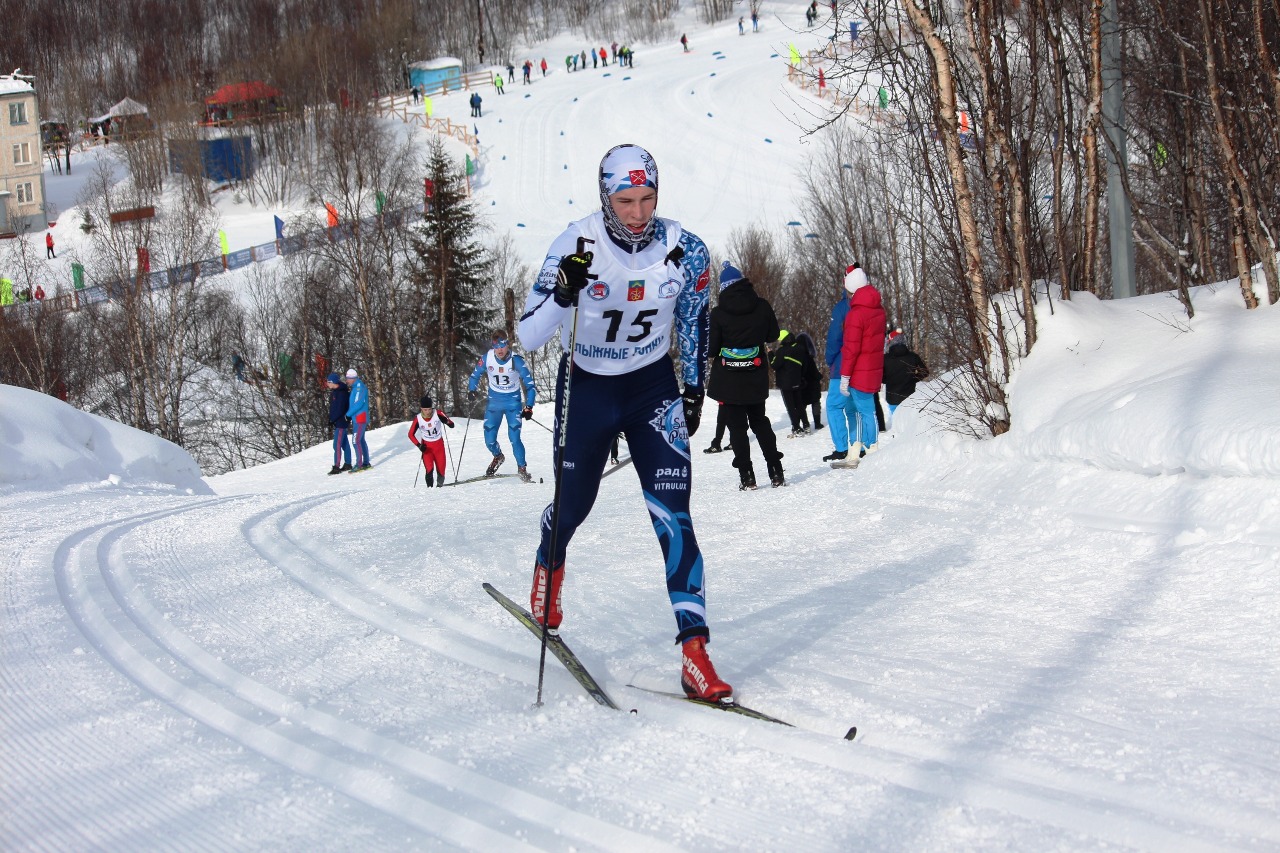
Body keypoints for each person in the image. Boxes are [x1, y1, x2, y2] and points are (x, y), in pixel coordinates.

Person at [517, 142, 731, 702]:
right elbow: (528, 334)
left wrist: (693, 387)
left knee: (674, 514)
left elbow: (693, 317)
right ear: (605, 196)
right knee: (575, 504)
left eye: (647, 198)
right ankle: (550, 558)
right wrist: (564, 291)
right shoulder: (577, 242)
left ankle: (695, 652)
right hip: (587, 386)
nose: (637, 212)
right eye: (626, 199)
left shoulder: (685, 248)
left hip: (650, 387)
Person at [707, 261, 784, 489]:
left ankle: (747, 476)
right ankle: (776, 471)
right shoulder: (762, 306)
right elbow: (773, 335)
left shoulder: (718, 313)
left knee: (737, 428)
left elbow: (712, 350)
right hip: (755, 373)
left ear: (723, 288)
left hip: (729, 379)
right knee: (760, 422)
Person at [825, 265, 885, 465]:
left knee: (860, 410)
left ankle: (869, 449)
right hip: (870, 368)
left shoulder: (854, 312)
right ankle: (855, 449)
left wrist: (843, 374)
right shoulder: (878, 310)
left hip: (856, 369)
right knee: (857, 410)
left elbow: (850, 347)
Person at [467, 330, 536, 481]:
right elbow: (474, 376)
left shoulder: (516, 360)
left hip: (513, 402)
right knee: (489, 439)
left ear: (507, 345)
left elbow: (530, 385)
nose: (500, 350)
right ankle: (498, 456)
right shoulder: (487, 358)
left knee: (514, 437)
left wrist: (529, 406)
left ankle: (522, 468)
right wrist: (471, 390)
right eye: (496, 346)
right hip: (494, 402)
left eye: (502, 346)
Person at [882, 328, 929, 427]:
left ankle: (896, 437)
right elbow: (924, 372)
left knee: (896, 421)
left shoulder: (885, 358)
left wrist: (887, 380)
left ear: (890, 342)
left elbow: (880, 376)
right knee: (909, 422)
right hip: (909, 395)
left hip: (892, 396)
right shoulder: (913, 356)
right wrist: (914, 379)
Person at [771, 329, 812, 436]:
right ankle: (806, 425)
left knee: (790, 406)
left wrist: (770, 353)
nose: (779, 342)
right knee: (799, 404)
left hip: (785, 383)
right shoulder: (800, 348)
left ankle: (796, 427)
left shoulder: (782, 351)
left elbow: (774, 365)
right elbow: (805, 365)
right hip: (797, 381)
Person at [408, 394, 455, 487]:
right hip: (427, 447)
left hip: (439, 446)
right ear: (421, 409)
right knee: (429, 469)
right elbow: (410, 435)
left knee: (441, 470)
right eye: (425, 410)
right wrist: (419, 445)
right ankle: (430, 490)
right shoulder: (418, 419)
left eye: (429, 409)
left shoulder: (438, 413)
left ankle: (439, 487)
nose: (428, 412)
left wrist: (446, 421)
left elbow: (452, 424)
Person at [344, 368, 372, 471]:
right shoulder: (355, 387)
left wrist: (348, 414)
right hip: (357, 417)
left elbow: (358, 403)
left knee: (356, 441)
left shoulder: (359, 388)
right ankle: (365, 462)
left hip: (360, 418)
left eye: (348, 379)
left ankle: (359, 464)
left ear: (353, 378)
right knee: (361, 440)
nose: (347, 381)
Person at [325, 373, 353, 475]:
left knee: (336, 444)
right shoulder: (335, 392)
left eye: (328, 382)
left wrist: (333, 419)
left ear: (333, 382)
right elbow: (333, 408)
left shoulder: (341, 393)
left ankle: (336, 466)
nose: (327, 384)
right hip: (338, 421)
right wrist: (331, 419)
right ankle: (348, 463)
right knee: (344, 443)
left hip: (341, 422)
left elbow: (340, 409)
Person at [797, 331, 824, 430]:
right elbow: (814, 372)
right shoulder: (809, 357)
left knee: (801, 404)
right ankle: (817, 423)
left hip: (802, 384)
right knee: (815, 402)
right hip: (813, 383)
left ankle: (802, 423)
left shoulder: (797, 357)